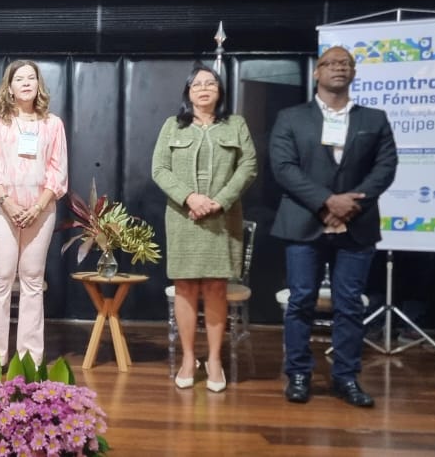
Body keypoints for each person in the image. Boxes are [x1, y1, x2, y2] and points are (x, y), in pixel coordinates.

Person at [270, 45, 397, 408]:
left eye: (346, 63)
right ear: (316, 72)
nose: (339, 68)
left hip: (356, 226)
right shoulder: (291, 117)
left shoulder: (374, 118)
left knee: (350, 305)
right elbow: (283, 167)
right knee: (301, 302)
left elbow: (385, 167)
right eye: (331, 63)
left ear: (354, 73)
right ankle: (297, 374)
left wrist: (349, 206)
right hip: (304, 224)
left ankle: (346, 377)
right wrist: (327, 202)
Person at [151, 65, 257, 392]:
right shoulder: (173, 126)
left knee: (215, 287)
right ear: (188, 93)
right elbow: (159, 169)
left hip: (221, 219)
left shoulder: (235, 124)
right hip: (184, 218)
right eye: (197, 84)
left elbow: (248, 166)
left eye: (210, 83)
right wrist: (190, 198)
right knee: (185, 287)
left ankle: (213, 359)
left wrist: (218, 201)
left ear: (219, 91)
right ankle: (187, 357)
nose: (204, 88)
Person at [0, 60, 68, 365]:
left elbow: (58, 171)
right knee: (2, 278)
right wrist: (10, 204)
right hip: (1, 209)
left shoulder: (52, 124)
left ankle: (29, 358)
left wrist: (39, 206)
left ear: (38, 85)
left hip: (40, 212)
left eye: (32, 78)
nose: (27, 82)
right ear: (10, 86)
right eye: (20, 78)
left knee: (32, 280)